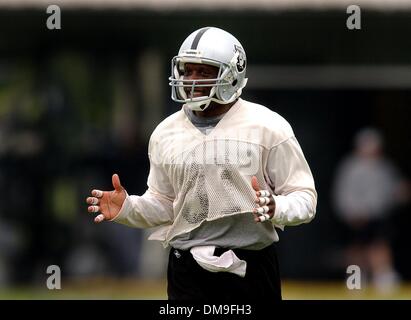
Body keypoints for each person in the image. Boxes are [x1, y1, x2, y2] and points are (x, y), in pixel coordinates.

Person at [86, 26, 317, 300]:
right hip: (187, 270)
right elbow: (166, 204)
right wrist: (128, 207)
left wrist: (277, 206)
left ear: (231, 75)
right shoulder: (165, 132)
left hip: (250, 266)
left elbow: (305, 198)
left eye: (204, 72)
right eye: (187, 71)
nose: (191, 80)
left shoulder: (268, 126)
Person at [332, 128, 407, 294]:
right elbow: (343, 192)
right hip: (356, 217)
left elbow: (393, 190)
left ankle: (383, 276)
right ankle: (355, 279)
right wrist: (351, 212)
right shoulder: (351, 167)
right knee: (356, 249)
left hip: (378, 216)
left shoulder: (385, 167)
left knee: (380, 245)